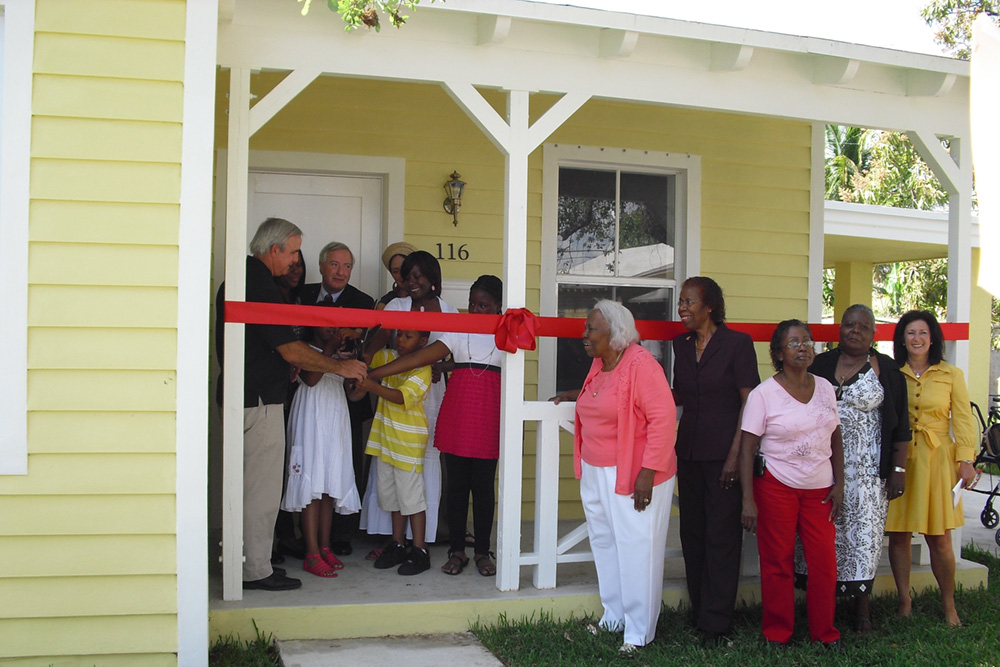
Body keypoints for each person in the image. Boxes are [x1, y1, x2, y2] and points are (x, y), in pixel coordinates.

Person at [214, 217, 367, 592]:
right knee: (259, 490)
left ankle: (253, 561)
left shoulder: (244, 277)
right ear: (275, 249)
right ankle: (253, 571)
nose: (296, 260)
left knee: (253, 487)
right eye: (295, 250)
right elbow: (289, 347)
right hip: (257, 400)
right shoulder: (257, 281)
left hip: (249, 397)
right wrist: (339, 365)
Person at [552, 300, 677, 653]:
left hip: (635, 474)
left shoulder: (642, 365)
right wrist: (573, 396)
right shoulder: (599, 363)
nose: (584, 335)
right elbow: (603, 397)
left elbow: (663, 420)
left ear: (616, 334)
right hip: (595, 470)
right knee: (605, 542)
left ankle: (638, 631)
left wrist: (648, 472)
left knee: (637, 548)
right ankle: (614, 615)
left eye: (592, 328)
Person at [367, 276, 504, 576]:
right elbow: (418, 358)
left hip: (488, 416)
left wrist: (450, 366)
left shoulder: (506, 333)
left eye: (484, 305)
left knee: (483, 488)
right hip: (457, 412)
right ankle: (457, 550)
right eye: (472, 303)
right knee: (455, 487)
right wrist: (374, 373)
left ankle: (482, 551)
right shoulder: (457, 330)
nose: (476, 310)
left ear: (498, 307)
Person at [795, 304, 910, 634]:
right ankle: (820, 602)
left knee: (863, 538)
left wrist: (898, 469)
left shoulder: (886, 369)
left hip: (868, 472)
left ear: (873, 334)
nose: (855, 331)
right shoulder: (820, 364)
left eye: (863, 326)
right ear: (839, 328)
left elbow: (901, 424)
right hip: (821, 464)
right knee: (821, 534)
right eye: (849, 325)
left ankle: (862, 606)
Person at [740, 320, 843, 647]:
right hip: (776, 487)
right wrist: (748, 500)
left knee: (824, 564)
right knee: (777, 563)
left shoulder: (826, 387)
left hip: (820, 491)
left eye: (808, 341)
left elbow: (836, 438)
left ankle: (824, 634)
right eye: (794, 342)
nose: (803, 347)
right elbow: (747, 449)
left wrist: (840, 483)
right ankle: (777, 632)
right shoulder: (763, 395)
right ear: (779, 353)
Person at [671, 276, 759, 645]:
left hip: (725, 455)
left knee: (721, 538)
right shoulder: (681, 344)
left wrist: (735, 455)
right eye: (681, 302)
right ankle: (700, 610)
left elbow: (749, 403)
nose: (682, 308)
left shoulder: (737, 344)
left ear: (710, 306)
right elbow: (677, 394)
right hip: (688, 454)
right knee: (692, 534)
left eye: (689, 302)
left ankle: (717, 623)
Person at [885, 310, 978, 626]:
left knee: (940, 538)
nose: (917, 339)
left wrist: (966, 460)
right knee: (898, 534)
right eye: (910, 332)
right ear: (902, 339)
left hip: (938, 461)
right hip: (901, 460)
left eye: (923, 332)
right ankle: (904, 600)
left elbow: (963, 419)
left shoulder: (951, 374)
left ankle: (949, 605)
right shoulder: (892, 372)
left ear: (933, 338)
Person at [361, 251, 457, 547]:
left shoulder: (449, 312)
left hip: (432, 391)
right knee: (393, 455)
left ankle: (422, 539)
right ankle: (391, 536)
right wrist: (365, 370)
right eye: (407, 276)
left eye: (418, 276)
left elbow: (460, 357)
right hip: (397, 389)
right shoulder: (398, 305)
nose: (412, 282)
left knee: (427, 456)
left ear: (432, 280)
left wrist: (440, 365)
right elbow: (373, 344)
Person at [299, 241, 376, 556]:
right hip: (308, 393)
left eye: (347, 266)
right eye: (334, 265)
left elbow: (367, 347)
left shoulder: (362, 301)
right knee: (305, 469)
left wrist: (352, 354)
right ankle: (301, 541)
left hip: (343, 395)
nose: (341, 272)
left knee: (341, 467)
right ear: (321, 266)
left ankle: (339, 538)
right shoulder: (301, 296)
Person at [280, 317, 362, 578]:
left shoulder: (340, 354)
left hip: (334, 416)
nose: (333, 329)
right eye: (326, 324)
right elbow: (312, 378)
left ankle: (325, 546)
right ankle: (311, 552)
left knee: (328, 485)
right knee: (311, 485)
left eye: (337, 325)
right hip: (311, 417)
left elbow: (351, 392)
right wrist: (330, 350)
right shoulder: (303, 349)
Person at [350, 329, 434, 575]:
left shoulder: (422, 368)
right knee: (393, 498)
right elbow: (365, 358)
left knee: (412, 500)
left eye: (408, 336)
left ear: (423, 341)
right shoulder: (387, 357)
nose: (400, 340)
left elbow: (400, 397)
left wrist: (370, 386)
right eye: (399, 335)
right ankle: (398, 543)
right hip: (385, 441)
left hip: (408, 442)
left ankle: (420, 549)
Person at [376, 241, 417, 309]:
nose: (401, 274)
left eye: (404, 268)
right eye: (396, 271)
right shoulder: (385, 303)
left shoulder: (428, 300)